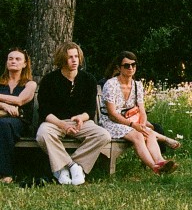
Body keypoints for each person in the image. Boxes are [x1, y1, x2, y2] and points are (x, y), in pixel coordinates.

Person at [36, 42, 112, 185]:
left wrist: (81, 118)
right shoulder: (49, 80)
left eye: (76, 56)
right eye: (70, 57)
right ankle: (68, 167)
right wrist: (62, 124)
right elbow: (44, 111)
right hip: (55, 122)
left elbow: (90, 110)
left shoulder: (88, 79)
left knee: (103, 135)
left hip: (80, 123)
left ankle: (74, 166)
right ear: (62, 59)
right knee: (42, 135)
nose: (74, 60)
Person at [98, 52, 177, 175]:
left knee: (148, 132)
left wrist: (142, 124)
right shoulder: (111, 84)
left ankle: (161, 162)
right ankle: (155, 167)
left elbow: (142, 110)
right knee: (138, 136)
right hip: (111, 122)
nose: (131, 68)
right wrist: (134, 126)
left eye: (133, 65)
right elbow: (112, 114)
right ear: (119, 68)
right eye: (126, 65)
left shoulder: (137, 85)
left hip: (129, 121)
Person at [1, 47, 38, 184]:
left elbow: (20, 100)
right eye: (10, 59)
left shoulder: (30, 84)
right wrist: (4, 106)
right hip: (2, 120)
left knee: (4, 126)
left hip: (21, 123)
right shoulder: (1, 82)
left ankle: (6, 174)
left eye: (17, 59)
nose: (13, 61)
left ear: (24, 64)